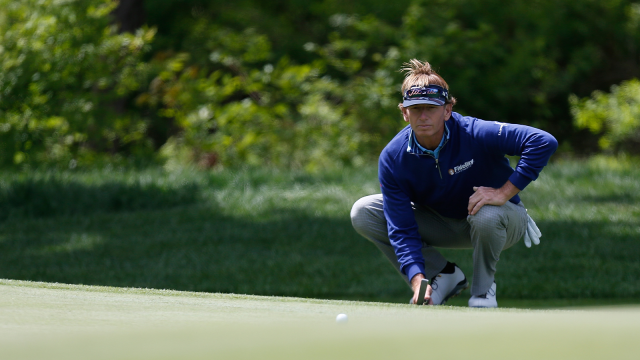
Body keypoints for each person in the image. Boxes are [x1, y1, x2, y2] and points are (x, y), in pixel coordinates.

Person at [350, 59, 557, 308]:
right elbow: (402, 229)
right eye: (416, 109)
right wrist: (417, 279)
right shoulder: (394, 158)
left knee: (487, 214)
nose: (423, 116)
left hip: (500, 220)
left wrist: (505, 192)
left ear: (447, 110)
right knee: (364, 212)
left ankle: (483, 293)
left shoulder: (474, 132)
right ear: (404, 112)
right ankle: (443, 277)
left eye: (431, 108)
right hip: (441, 222)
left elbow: (542, 141)